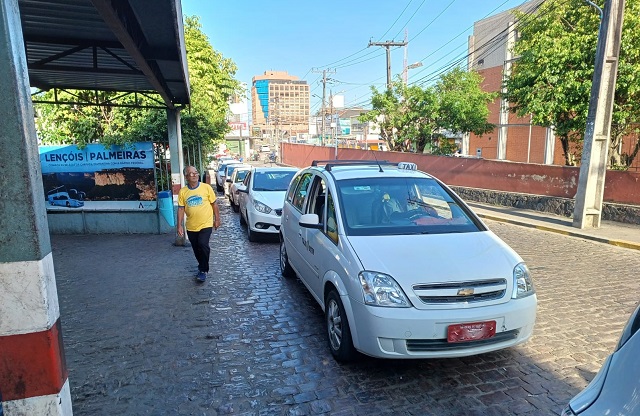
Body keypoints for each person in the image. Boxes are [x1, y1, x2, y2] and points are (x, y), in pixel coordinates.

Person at [177, 165, 221, 282]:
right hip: (191, 226)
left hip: (206, 224)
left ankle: (203, 270)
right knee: (196, 249)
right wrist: (179, 225)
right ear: (186, 177)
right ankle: (201, 265)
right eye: (191, 173)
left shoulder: (206, 188)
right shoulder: (183, 192)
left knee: (203, 244)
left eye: (196, 172)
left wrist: (217, 219)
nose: (195, 175)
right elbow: (181, 209)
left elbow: (214, 204)